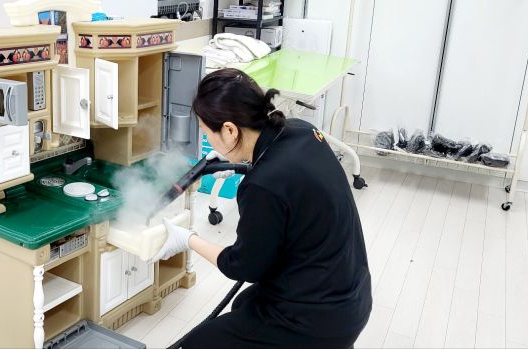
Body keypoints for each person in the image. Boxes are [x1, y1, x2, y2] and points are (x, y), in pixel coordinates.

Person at [153, 68, 372, 349]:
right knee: (246, 303)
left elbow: (244, 266)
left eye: (207, 133)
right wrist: (246, 163)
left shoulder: (261, 186)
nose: (209, 141)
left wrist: (187, 239)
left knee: (198, 343)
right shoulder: (303, 131)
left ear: (230, 130)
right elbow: (288, 179)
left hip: (318, 319)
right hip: (351, 294)